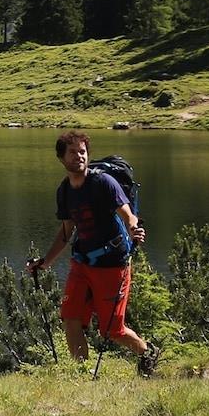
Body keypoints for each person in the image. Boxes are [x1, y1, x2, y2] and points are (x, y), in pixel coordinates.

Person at [29, 130, 161, 377]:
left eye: (82, 152)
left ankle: (147, 353)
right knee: (71, 317)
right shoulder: (64, 191)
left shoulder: (103, 183)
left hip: (112, 264)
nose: (79, 156)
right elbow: (67, 232)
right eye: (72, 152)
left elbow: (128, 215)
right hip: (81, 263)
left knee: (112, 330)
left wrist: (134, 229)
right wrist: (45, 262)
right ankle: (81, 374)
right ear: (61, 158)